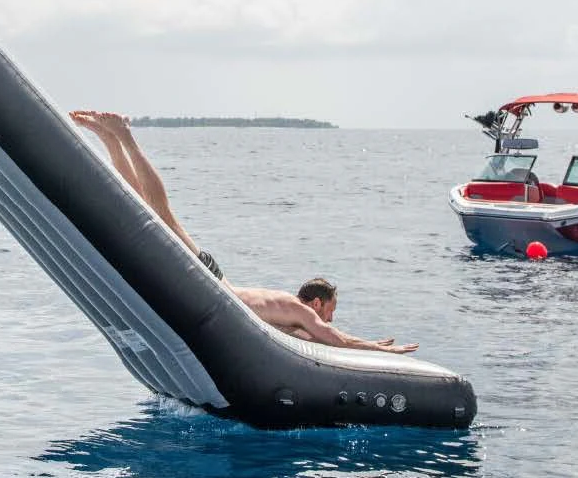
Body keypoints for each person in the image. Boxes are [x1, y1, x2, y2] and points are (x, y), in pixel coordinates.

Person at [68, 110, 417, 353]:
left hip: (212, 281)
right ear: (316, 302)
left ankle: (110, 138)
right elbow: (333, 338)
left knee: (140, 207)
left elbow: (304, 337)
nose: (330, 318)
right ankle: (124, 136)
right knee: (159, 212)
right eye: (330, 310)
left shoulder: (288, 315)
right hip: (210, 280)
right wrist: (377, 347)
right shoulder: (302, 312)